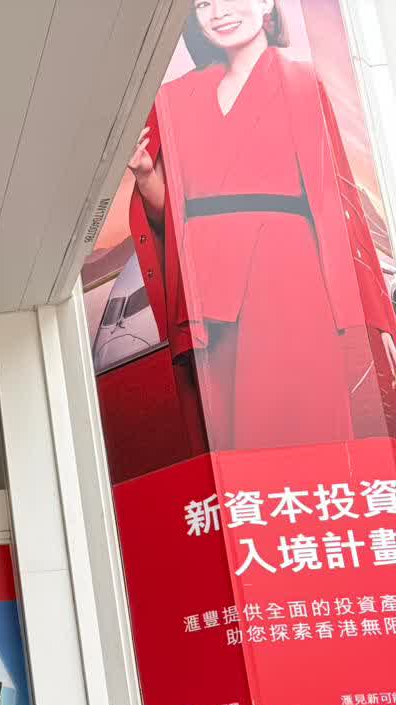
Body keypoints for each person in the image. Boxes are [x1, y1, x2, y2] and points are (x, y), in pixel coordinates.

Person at [127, 0, 396, 452]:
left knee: (304, 420)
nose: (219, 12)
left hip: (288, 272)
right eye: (204, 3)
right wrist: (143, 175)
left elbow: (336, 198)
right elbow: (171, 216)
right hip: (208, 289)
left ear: (267, 3)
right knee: (232, 440)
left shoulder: (301, 82)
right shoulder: (175, 98)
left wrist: (373, 316)